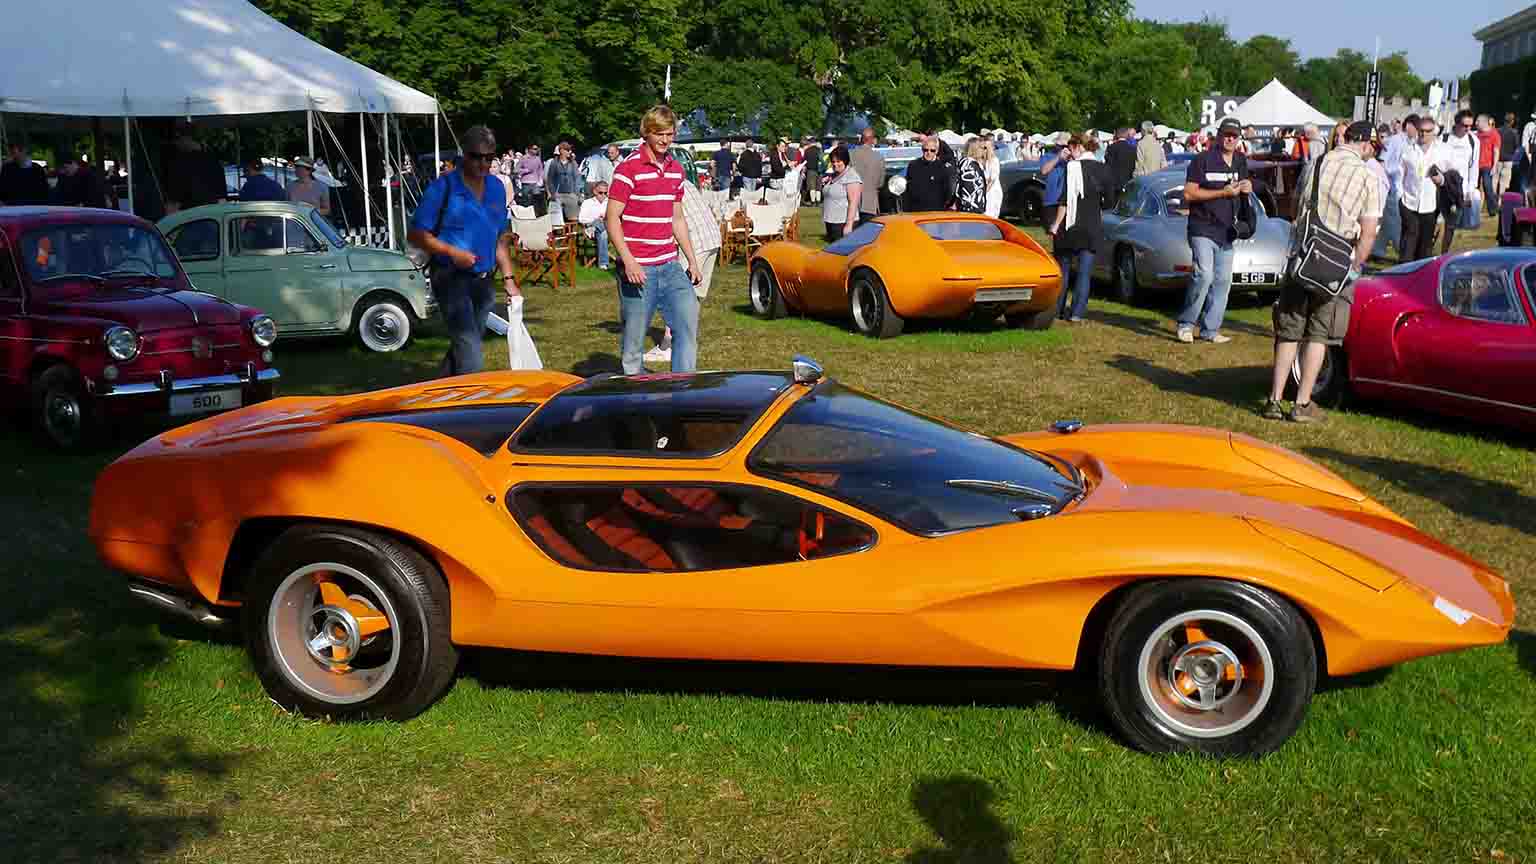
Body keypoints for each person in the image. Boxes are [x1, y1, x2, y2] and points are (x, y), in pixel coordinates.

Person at [1264, 121, 1381, 424]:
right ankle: (1302, 403)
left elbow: (1295, 206)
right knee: (1319, 334)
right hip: (1337, 263)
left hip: (1302, 255)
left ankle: (1274, 400)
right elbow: (1368, 232)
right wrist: (1356, 266)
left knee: (1289, 329)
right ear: (1365, 144)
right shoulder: (1368, 177)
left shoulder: (1316, 164)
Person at [406, 125, 516, 376]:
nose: (483, 164)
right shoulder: (442, 187)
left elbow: (500, 236)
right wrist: (452, 252)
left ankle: (436, 391)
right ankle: (469, 409)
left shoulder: (497, 188)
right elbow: (415, 235)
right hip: (450, 278)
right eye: (476, 157)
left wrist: (509, 279)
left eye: (489, 157)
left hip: (484, 281)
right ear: (463, 154)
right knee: (471, 354)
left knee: (465, 345)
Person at [606, 104, 702, 375]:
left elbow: (677, 219)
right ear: (646, 133)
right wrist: (629, 262)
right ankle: (633, 400)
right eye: (658, 133)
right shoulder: (628, 169)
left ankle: (682, 389)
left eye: (669, 134)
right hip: (638, 269)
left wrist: (692, 261)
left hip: (670, 266)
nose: (664, 140)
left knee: (687, 325)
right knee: (634, 342)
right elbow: (612, 219)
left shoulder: (676, 170)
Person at [1175, 117, 1250, 344]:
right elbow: (1188, 193)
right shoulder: (1202, 160)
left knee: (1222, 281)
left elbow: (1242, 188)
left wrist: (1247, 188)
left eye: (1234, 135)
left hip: (1228, 230)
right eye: (1226, 134)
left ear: (1238, 139)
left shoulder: (1240, 160)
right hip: (1202, 226)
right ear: (1218, 136)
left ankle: (1210, 330)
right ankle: (1186, 324)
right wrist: (1222, 193)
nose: (1230, 139)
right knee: (1203, 275)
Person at [645, 178, 723, 366]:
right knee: (692, 296)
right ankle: (687, 341)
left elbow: (669, 218)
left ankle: (669, 346)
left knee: (676, 296)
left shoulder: (661, 183)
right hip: (711, 237)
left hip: (695, 241)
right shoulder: (681, 178)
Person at [1047, 134, 1113, 323]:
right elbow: (1109, 201)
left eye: (1070, 147)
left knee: (1064, 269)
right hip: (1091, 222)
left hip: (1070, 222)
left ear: (1078, 147)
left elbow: (1065, 199)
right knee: (1084, 272)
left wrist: (1055, 224)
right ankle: (1077, 312)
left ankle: (1058, 308)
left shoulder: (1072, 168)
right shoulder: (1103, 169)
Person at [1399, 116, 1453, 263]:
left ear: (1433, 132)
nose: (1424, 134)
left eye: (1428, 131)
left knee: (1425, 244)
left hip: (1430, 205)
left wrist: (1440, 180)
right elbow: (1400, 174)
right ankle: (1403, 270)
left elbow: (1450, 178)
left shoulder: (1442, 151)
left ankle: (1420, 272)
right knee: (1410, 237)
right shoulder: (1408, 150)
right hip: (1409, 202)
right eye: (1421, 131)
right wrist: (1400, 196)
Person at [1440, 109, 1479, 255]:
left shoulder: (1473, 141)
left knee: (1451, 225)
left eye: (1471, 126)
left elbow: (1473, 167)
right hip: (1440, 186)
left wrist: (1470, 191)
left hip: (1459, 189)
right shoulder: (1444, 138)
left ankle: (1443, 254)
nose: (1468, 129)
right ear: (1457, 123)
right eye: (1465, 125)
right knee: (1434, 223)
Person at [820, 145, 864, 241]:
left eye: (838, 161)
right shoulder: (833, 176)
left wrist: (849, 225)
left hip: (842, 223)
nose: (835, 164)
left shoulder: (852, 177)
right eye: (833, 162)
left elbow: (854, 203)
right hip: (831, 221)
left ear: (845, 160)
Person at [903, 136, 953, 211]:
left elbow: (947, 192)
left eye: (932, 150)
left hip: (935, 212)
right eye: (925, 150)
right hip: (914, 211)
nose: (928, 153)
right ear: (922, 150)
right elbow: (908, 190)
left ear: (936, 151)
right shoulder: (913, 165)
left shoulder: (942, 168)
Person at [849, 127, 885, 222]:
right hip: (870, 202)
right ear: (872, 140)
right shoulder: (879, 157)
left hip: (852, 200)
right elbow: (880, 183)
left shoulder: (850, 154)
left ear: (861, 139)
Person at [545, 141, 581, 223]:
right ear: (561, 151)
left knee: (573, 220)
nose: (570, 152)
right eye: (567, 150)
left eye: (570, 150)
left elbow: (577, 179)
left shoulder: (573, 163)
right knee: (556, 221)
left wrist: (576, 194)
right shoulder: (554, 163)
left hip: (571, 194)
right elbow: (550, 179)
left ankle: (572, 235)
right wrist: (553, 194)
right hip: (558, 195)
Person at [577, 181, 611, 270]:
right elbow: (581, 219)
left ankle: (604, 262)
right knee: (603, 232)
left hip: (608, 228)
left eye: (605, 193)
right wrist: (595, 219)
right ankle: (603, 263)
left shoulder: (610, 203)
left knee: (604, 228)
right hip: (592, 228)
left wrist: (605, 218)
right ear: (595, 191)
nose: (603, 195)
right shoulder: (587, 203)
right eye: (600, 193)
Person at [954, 139, 988, 214]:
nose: (984, 150)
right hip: (970, 210)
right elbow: (968, 188)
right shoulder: (968, 165)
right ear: (975, 149)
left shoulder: (972, 163)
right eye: (982, 148)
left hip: (973, 208)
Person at [1477, 114, 1501, 217]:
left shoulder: (1494, 134)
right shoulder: (1477, 134)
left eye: (1478, 121)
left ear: (1484, 122)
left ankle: (1493, 209)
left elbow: (1496, 151)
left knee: (1488, 187)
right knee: (1475, 187)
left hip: (1487, 165)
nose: (1476, 123)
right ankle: (1475, 209)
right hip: (1475, 165)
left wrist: (1494, 166)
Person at [514, 144, 545, 214]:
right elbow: (516, 170)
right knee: (526, 202)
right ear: (530, 149)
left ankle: (537, 215)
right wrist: (526, 170)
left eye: (536, 149)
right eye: (534, 149)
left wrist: (540, 180)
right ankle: (526, 215)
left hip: (535, 183)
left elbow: (541, 170)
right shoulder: (523, 158)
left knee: (536, 201)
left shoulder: (538, 159)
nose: (536, 150)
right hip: (526, 183)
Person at [1104, 127, 1136, 193]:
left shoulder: (1111, 148)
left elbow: (1108, 165)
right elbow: (1133, 166)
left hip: (1113, 182)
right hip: (1127, 181)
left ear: (1117, 135)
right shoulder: (1132, 149)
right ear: (1127, 135)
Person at [1497, 112, 1520, 199]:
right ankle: (1500, 201)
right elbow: (1516, 146)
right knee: (1504, 183)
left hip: (1498, 159)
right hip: (1508, 160)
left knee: (1495, 181)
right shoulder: (1514, 132)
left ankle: (1493, 201)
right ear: (1512, 121)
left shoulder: (1497, 131)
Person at [981, 138, 1003, 219]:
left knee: (990, 216)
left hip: (992, 192)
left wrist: (984, 192)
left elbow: (992, 179)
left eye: (986, 148)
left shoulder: (994, 161)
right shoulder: (984, 161)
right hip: (986, 191)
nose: (984, 150)